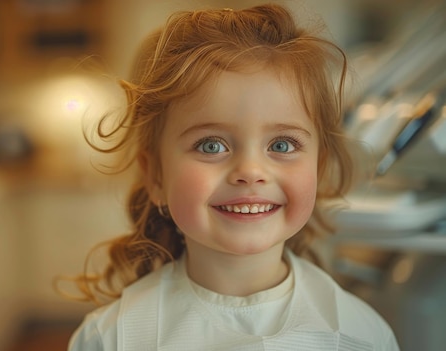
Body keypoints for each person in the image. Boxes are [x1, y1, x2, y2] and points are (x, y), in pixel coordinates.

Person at [63, 3, 399, 350]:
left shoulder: (360, 336)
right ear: (156, 176)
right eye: (211, 145)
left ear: (318, 166)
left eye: (282, 145)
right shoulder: (112, 337)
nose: (250, 171)